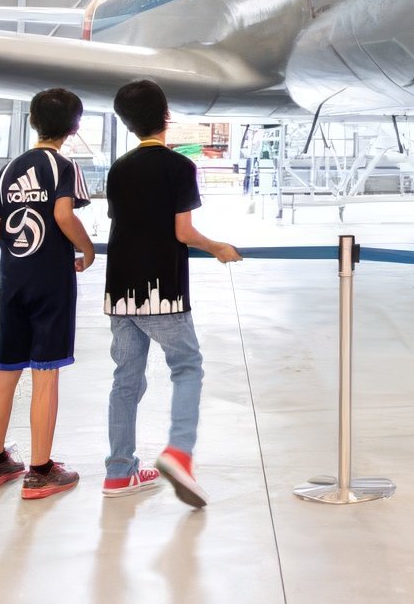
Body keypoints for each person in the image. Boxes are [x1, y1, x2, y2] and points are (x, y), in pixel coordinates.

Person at [102, 78, 242, 506]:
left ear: (125, 123)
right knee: (187, 366)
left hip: (119, 288)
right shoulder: (180, 167)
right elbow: (182, 231)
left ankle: (119, 471)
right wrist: (218, 246)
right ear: (166, 116)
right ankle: (179, 451)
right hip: (161, 289)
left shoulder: (119, 168)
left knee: (125, 380)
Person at [0, 88, 96, 500]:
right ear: (74, 127)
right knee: (45, 373)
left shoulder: (10, 168)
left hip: (13, 280)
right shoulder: (63, 165)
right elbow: (63, 214)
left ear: (32, 122)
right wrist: (87, 248)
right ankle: (41, 470)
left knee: (6, 369)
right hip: (51, 281)